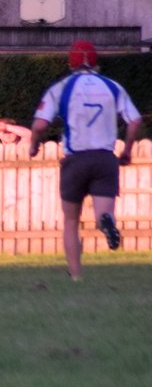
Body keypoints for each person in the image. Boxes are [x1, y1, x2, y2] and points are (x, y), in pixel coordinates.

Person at [29, 39, 142, 280]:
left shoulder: (61, 88)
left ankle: (76, 276)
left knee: (71, 220)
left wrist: (34, 145)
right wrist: (127, 150)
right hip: (105, 159)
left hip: (76, 160)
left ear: (71, 62)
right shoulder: (113, 86)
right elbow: (135, 120)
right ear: (95, 61)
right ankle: (106, 222)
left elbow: (39, 125)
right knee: (103, 214)